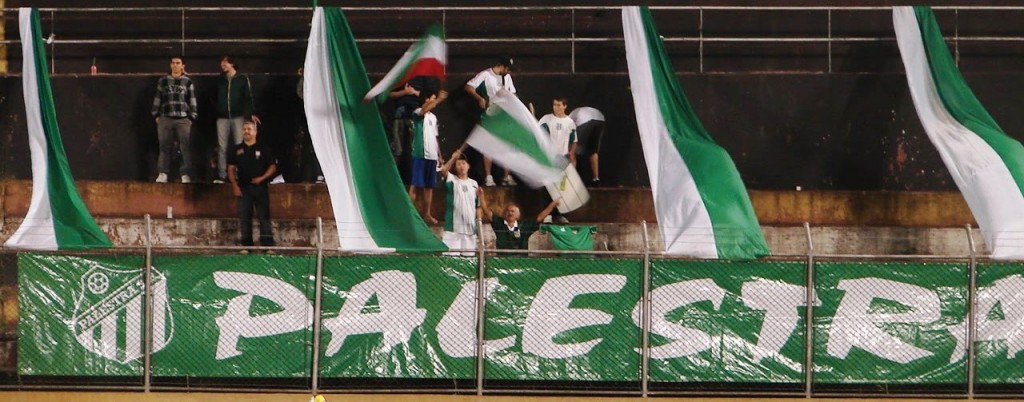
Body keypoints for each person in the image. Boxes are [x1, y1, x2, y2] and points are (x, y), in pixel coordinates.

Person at [466, 57, 517, 187]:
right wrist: (479, 98)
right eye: (508, 69)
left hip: (504, 117)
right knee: (489, 145)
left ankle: (506, 176)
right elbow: (469, 86)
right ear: (501, 66)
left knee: (507, 145)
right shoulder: (485, 75)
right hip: (489, 115)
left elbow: (513, 95)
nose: (509, 72)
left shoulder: (507, 78)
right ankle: (489, 177)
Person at [228, 121, 277, 250]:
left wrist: (262, 178)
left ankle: (267, 245)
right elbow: (231, 168)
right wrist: (234, 185)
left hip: (260, 187)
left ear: (255, 131)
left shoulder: (264, 148)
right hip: (243, 188)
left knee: (264, 216)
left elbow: (272, 167)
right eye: (244, 129)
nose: (246, 131)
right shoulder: (237, 149)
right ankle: (246, 245)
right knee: (244, 217)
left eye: (249, 129)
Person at [151, 56, 197, 183]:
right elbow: (158, 98)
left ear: (183, 66)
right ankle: (163, 173)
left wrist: (192, 117)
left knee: (184, 147)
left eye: (178, 63)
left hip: (183, 119)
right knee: (164, 146)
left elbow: (192, 100)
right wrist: (156, 115)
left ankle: (185, 174)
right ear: (170, 65)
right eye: (173, 63)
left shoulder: (188, 82)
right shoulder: (163, 81)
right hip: (166, 118)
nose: (175, 65)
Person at [214, 56, 260, 184]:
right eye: (222, 61)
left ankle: (241, 174)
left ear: (232, 63)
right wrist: (218, 109)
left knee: (240, 146)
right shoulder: (220, 80)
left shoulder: (242, 79)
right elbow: (213, 96)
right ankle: (222, 175)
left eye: (225, 62)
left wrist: (251, 113)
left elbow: (248, 97)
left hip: (238, 117)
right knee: (222, 147)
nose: (222, 64)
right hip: (222, 118)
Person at [408, 89, 448, 225]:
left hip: (432, 156)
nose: (432, 101)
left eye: (433, 99)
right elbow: (424, 110)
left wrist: (439, 156)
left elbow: (435, 138)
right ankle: (409, 214)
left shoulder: (433, 118)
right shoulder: (417, 113)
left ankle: (427, 214)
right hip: (419, 154)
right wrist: (438, 100)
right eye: (430, 98)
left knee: (429, 187)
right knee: (415, 185)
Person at [538, 97, 577, 223]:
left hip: (563, 159)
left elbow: (573, 141)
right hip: (549, 158)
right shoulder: (546, 119)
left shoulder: (570, 122)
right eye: (554, 105)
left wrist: (571, 154)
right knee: (548, 186)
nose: (556, 107)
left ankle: (559, 215)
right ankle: (547, 215)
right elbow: (539, 135)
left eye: (559, 105)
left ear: (565, 106)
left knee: (562, 188)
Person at [439, 150, 484, 256]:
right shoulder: (451, 180)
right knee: (450, 261)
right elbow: (443, 171)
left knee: (468, 262)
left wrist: (479, 227)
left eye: (464, 163)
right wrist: (453, 158)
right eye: (458, 164)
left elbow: (478, 207)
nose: (461, 166)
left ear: (468, 166)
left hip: (470, 230)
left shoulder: (474, 184)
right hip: (453, 230)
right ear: (455, 167)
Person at [487, 199, 560, 251]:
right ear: (504, 213)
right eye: (508, 211)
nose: (510, 213)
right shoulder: (499, 223)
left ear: (517, 214)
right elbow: (488, 213)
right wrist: (481, 196)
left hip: (521, 258)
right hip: (503, 258)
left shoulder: (524, 225)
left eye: (512, 211)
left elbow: (540, 217)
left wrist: (552, 205)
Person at [569, 106, 605, 186]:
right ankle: (596, 179)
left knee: (572, 150)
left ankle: (572, 179)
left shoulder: (568, 119)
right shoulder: (575, 113)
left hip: (585, 120)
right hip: (600, 119)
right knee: (593, 151)